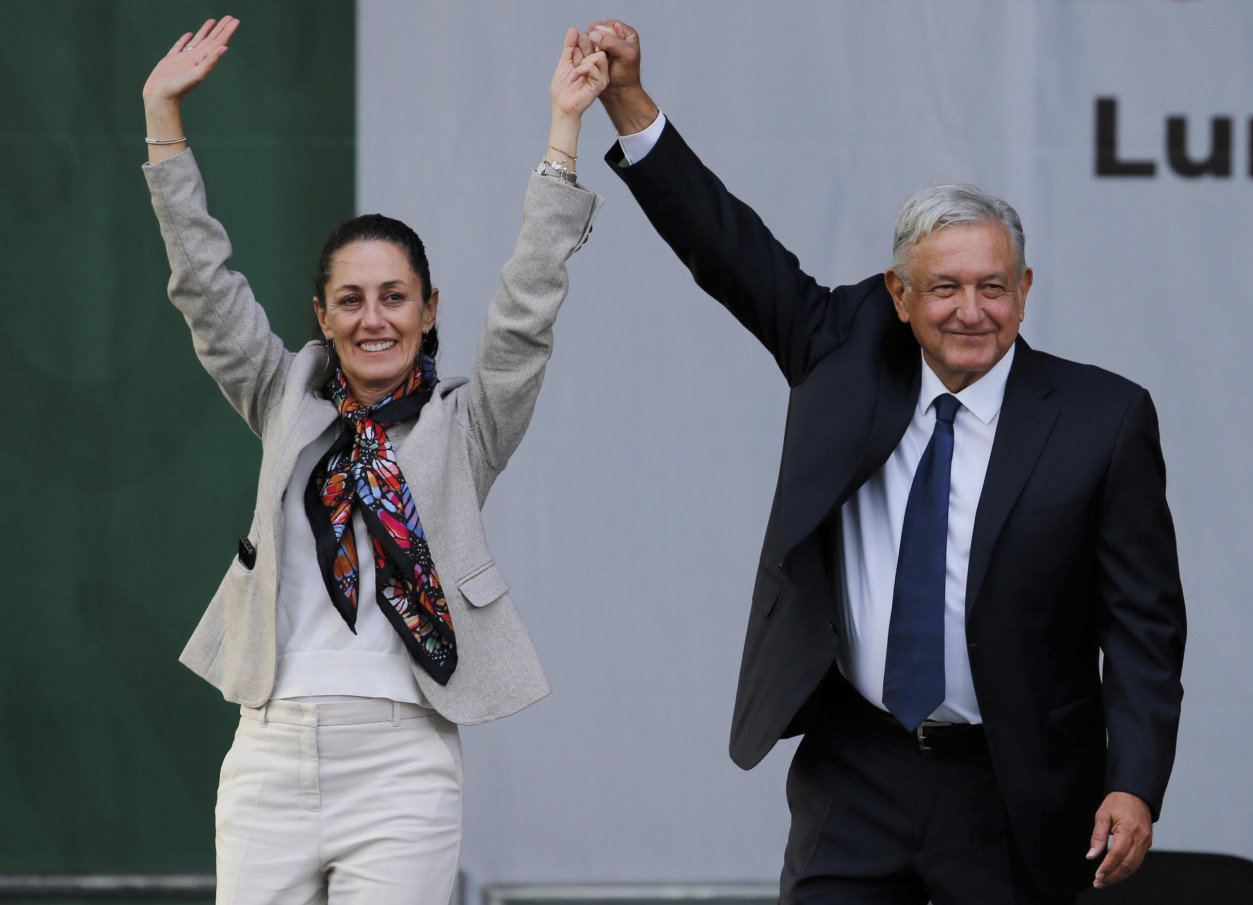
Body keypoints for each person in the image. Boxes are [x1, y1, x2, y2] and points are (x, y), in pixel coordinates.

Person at [584, 20, 1185, 905]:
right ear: (900, 296)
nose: (970, 311)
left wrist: (1134, 781)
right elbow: (725, 244)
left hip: (1013, 777)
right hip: (857, 763)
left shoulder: (1104, 417)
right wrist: (626, 99)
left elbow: (1143, 626)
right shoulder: (839, 349)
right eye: (943, 287)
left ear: (1025, 291)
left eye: (992, 286)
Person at [141, 16, 606, 905]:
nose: (374, 318)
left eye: (394, 297)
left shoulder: (465, 426)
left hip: (403, 760)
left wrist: (563, 132)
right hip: (270, 749)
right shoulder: (286, 400)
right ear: (322, 314)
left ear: (429, 309)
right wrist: (164, 121)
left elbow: (525, 313)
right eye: (350, 300)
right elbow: (205, 288)